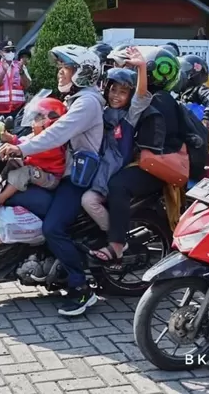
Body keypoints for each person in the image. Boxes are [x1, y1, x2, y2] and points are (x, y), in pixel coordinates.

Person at [0, 44, 104, 316]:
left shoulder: (87, 103)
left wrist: (22, 149)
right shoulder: (74, 99)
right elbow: (45, 127)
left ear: (83, 72)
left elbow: (57, 134)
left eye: (65, 68)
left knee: (53, 228)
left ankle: (82, 289)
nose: (60, 72)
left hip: (77, 178)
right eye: (60, 67)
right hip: (62, 171)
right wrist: (18, 138)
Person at [102, 47, 184, 269]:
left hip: (156, 165)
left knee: (116, 185)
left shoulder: (160, 100)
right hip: (145, 161)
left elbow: (139, 99)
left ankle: (117, 243)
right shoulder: (110, 108)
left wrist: (138, 68)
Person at [84, 51, 152, 261]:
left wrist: (141, 67)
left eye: (123, 92)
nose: (115, 95)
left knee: (89, 201)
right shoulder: (101, 110)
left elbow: (141, 95)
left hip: (111, 174)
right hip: (94, 170)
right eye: (113, 90)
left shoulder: (129, 117)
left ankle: (117, 237)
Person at [0, 97, 67, 214]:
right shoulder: (39, 135)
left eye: (38, 118)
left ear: (51, 122)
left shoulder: (53, 142)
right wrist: (9, 139)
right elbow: (25, 140)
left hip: (51, 177)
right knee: (12, 162)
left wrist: (14, 141)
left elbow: (32, 147)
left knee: (25, 172)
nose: (33, 122)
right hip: (38, 169)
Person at [176, 54, 209, 155]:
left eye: (184, 69)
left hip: (199, 137)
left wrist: (208, 117)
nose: (180, 73)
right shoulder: (176, 92)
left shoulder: (200, 90)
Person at [0, 40, 31, 122]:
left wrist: (21, 72)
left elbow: (27, 85)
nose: (10, 52)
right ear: (0, 52)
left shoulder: (20, 65)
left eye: (13, 50)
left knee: (16, 134)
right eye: (7, 50)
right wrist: (3, 72)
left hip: (17, 109)